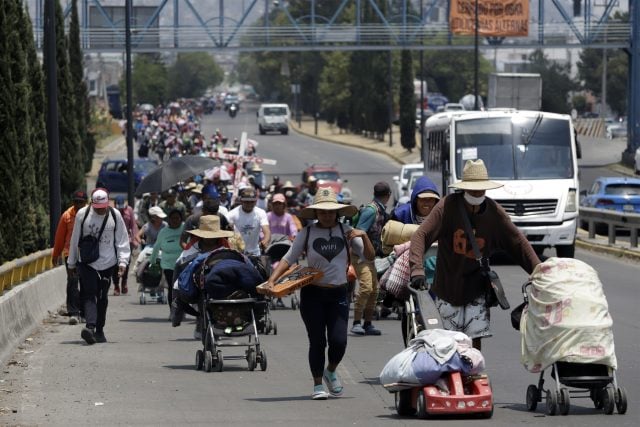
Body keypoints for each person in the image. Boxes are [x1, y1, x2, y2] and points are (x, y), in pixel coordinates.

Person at [409, 159, 541, 351]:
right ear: (464, 188)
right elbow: (421, 235)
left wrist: (539, 271)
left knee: (473, 346)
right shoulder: (447, 207)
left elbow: (518, 242)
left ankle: (472, 377)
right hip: (447, 288)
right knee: (446, 346)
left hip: (476, 290)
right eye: (473, 189)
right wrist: (417, 270)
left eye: (481, 189)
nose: (477, 193)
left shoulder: (495, 213)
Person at [266, 187, 375, 400]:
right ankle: (317, 384)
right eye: (322, 212)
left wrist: (363, 235)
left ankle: (331, 370)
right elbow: (289, 257)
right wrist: (272, 280)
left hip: (339, 294)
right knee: (317, 341)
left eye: (331, 211)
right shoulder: (307, 233)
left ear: (337, 212)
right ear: (316, 213)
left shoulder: (347, 232)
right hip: (313, 294)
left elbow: (369, 256)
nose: (327, 215)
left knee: (339, 341)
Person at [67, 188, 131, 345]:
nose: (101, 210)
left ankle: (100, 330)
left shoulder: (115, 215)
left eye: (104, 207)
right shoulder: (83, 214)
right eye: (98, 208)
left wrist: (123, 262)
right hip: (87, 262)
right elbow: (75, 239)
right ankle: (90, 327)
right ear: (92, 203)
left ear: (108, 202)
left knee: (102, 297)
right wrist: (72, 262)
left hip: (108, 264)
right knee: (88, 294)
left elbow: (122, 240)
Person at [351, 181, 391, 336]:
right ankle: (356, 323)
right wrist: (363, 256)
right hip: (361, 257)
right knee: (366, 288)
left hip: (370, 257)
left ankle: (368, 324)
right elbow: (357, 234)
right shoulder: (371, 211)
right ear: (388, 196)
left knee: (374, 291)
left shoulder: (379, 210)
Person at [52, 190, 88, 325]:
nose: (78, 205)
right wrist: (55, 254)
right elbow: (60, 238)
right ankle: (73, 312)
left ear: (86, 202)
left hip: (86, 254)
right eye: (76, 202)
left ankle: (84, 312)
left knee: (85, 283)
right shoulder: (67, 216)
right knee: (73, 281)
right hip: (70, 254)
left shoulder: (91, 215)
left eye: (81, 202)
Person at [149, 209, 185, 318]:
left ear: (181, 219)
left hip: (184, 262)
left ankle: (182, 309)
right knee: (172, 287)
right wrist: (152, 261)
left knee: (183, 288)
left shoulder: (185, 228)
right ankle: (173, 311)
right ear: (169, 220)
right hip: (168, 264)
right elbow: (156, 247)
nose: (175, 221)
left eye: (177, 218)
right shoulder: (163, 232)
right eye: (173, 218)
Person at [266, 193, 298, 307]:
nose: (278, 206)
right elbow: (263, 230)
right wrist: (263, 240)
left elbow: (293, 229)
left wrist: (294, 236)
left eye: (280, 204)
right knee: (271, 266)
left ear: (284, 205)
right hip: (272, 247)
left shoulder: (288, 217)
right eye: (275, 204)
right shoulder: (268, 216)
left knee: (290, 267)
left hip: (286, 246)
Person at [226, 187, 270, 256]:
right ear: (241, 201)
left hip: (255, 253)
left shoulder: (261, 213)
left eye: (252, 202)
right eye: (246, 201)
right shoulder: (232, 214)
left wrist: (265, 240)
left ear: (256, 201)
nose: (249, 204)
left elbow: (266, 230)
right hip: (236, 253)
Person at [111, 195, 139, 295]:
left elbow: (133, 225)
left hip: (127, 239)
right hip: (114, 240)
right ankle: (116, 285)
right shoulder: (111, 211)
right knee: (114, 263)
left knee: (126, 261)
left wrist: (135, 240)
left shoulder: (129, 210)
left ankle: (124, 282)